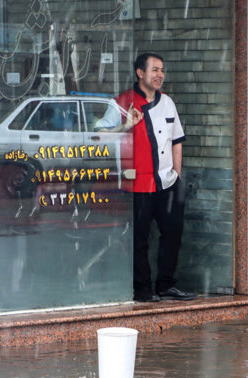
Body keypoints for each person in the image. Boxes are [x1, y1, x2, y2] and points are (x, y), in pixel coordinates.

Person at [97, 52, 195, 302]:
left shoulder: (168, 102)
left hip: (168, 182)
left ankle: (166, 284)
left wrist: (177, 174)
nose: (160, 75)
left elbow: (177, 140)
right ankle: (142, 288)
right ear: (140, 73)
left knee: (172, 234)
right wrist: (126, 125)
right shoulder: (121, 102)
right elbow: (99, 136)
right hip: (136, 183)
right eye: (154, 70)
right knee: (138, 239)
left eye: (162, 70)